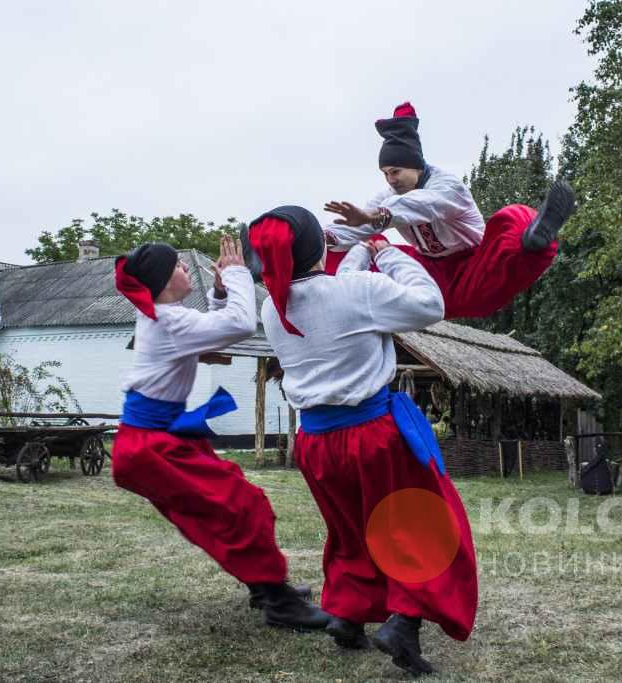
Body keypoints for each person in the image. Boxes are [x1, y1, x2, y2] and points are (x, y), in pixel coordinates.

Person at [243, 205, 478, 676]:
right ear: (316, 248)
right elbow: (429, 304)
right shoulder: (358, 292)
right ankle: (404, 622)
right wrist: (387, 253)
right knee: (420, 527)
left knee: (352, 530)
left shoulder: (273, 306)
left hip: (315, 442)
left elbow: (333, 289)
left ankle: (348, 615)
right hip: (372, 435)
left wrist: (358, 252)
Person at [110, 236, 328, 631]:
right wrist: (241, 274)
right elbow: (241, 324)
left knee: (234, 508)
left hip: (156, 440)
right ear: (162, 279)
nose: (184, 268)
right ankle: (277, 601)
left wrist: (220, 291)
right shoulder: (168, 320)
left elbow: (214, 328)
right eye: (177, 265)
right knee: (239, 508)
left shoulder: (166, 316)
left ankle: (267, 587)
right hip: (150, 446)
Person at [320, 102, 575, 320]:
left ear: (415, 165)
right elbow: (363, 224)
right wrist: (321, 238)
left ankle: (535, 237)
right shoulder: (388, 197)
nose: (390, 180)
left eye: (395, 172)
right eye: (385, 174)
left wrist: (376, 217)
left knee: (509, 221)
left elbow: (424, 205)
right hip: (429, 273)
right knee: (370, 248)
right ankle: (322, 282)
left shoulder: (447, 186)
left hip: (471, 266)